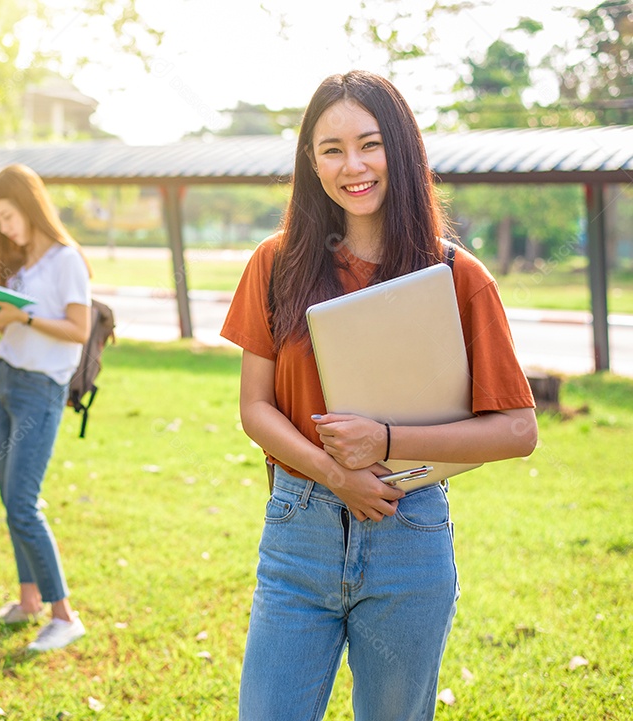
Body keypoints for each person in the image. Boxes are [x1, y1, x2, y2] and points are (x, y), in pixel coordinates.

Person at [220, 71, 538, 720]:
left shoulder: (456, 276)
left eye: (369, 143)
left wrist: (386, 441)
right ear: (310, 161)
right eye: (330, 149)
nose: (352, 165)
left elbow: (517, 430)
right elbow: (254, 408)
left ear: (401, 149)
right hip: (297, 532)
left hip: (408, 530)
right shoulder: (275, 263)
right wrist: (338, 472)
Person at [0, 163, 92, 652]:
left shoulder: (67, 259)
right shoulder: (21, 265)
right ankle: (27, 602)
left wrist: (23, 313)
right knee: (9, 500)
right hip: (3, 381)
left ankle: (64, 615)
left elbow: (78, 330)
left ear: (29, 205)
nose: (4, 227)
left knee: (23, 504)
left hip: (41, 390)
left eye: (8, 216)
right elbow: (9, 329)